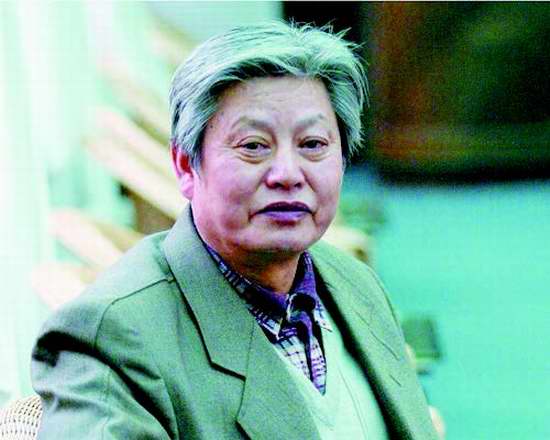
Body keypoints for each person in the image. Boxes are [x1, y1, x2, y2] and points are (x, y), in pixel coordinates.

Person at [31, 21, 439, 439]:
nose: (287, 174)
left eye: (312, 144)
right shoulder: (112, 336)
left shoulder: (355, 284)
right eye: (254, 146)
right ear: (186, 165)